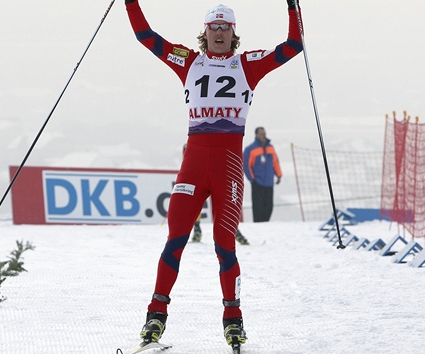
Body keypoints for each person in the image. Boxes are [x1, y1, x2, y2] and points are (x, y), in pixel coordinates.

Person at [125, 0, 302, 349]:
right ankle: (155, 319)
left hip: (229, 167)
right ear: (204, 32)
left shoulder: (246, 64)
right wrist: (130, 2)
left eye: (225, 27)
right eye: (213, 27)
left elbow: (293, 46)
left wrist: (292, 8)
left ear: (233, 33)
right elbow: (145, 36)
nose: (219, 32)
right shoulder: (187, 61)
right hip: (194, 163)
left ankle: (233, 321)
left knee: (225, 246)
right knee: (175, 239)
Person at [184, 143, 250, 245]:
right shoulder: (193, 144)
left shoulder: (194, 145)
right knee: (200, 205)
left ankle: (234, 231)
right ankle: (198, 229)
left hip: (213, 177)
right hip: (206, 176)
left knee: (219, 206)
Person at [243, 127, 282, 222]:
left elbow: (275, 162)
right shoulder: (250, 149)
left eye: (264, 133)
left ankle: (266, 224)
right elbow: (246, 166)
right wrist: (252, 179)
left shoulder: (270, 148)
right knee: (258, 207)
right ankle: (258, 226)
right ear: (256, 135)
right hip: (258, 182)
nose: (263, 135)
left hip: (269, 181)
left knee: (269, 206)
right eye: (261, 133)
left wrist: (279, 175)